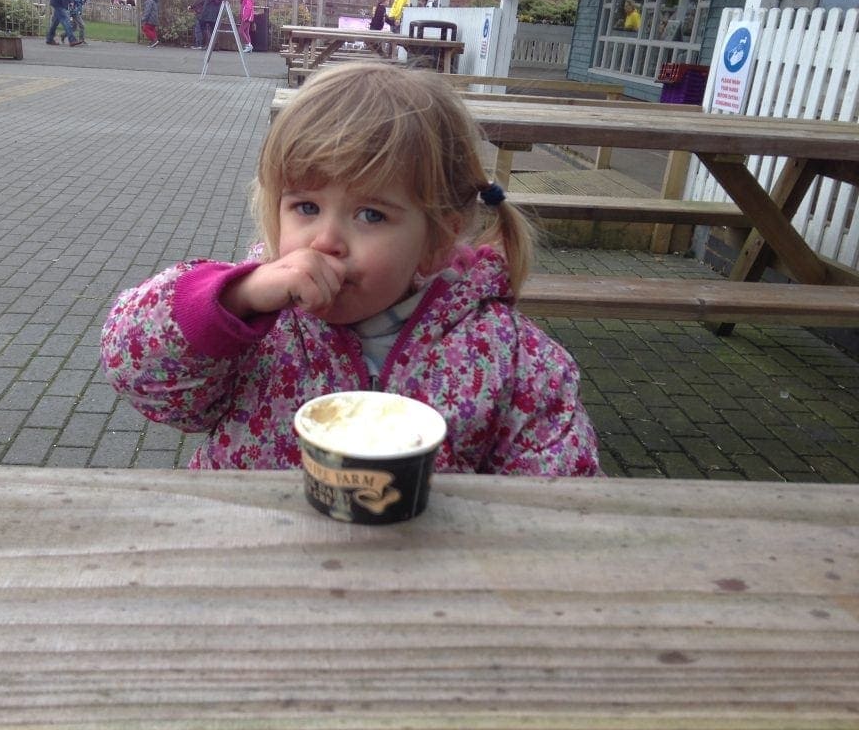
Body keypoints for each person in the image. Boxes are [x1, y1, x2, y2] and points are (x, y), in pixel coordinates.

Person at [100, 63, 602, 477]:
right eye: (306, 207)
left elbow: (561, 494)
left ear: (437, 240)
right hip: (252, 561)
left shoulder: (508, 356)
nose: (326, 241)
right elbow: (137, 369)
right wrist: (236, 298)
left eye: (371, 215)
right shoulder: (260, 324)